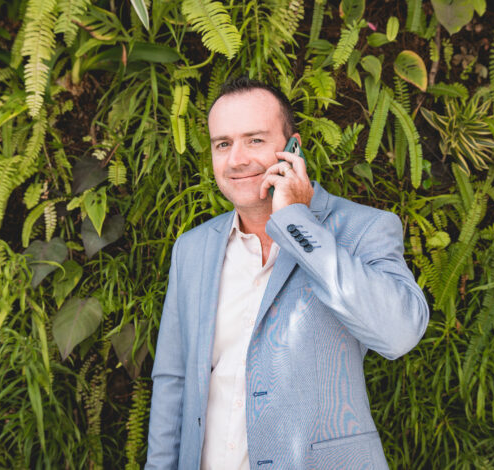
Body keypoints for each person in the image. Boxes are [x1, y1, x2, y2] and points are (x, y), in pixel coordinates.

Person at [145, 76, 429, 470]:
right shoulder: (191, 249)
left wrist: (298, 222)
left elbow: (400, 334)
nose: (236, 159)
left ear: (293, 148)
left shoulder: (364, 228)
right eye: (222, 144)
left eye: (255, 140)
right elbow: (173, 380)